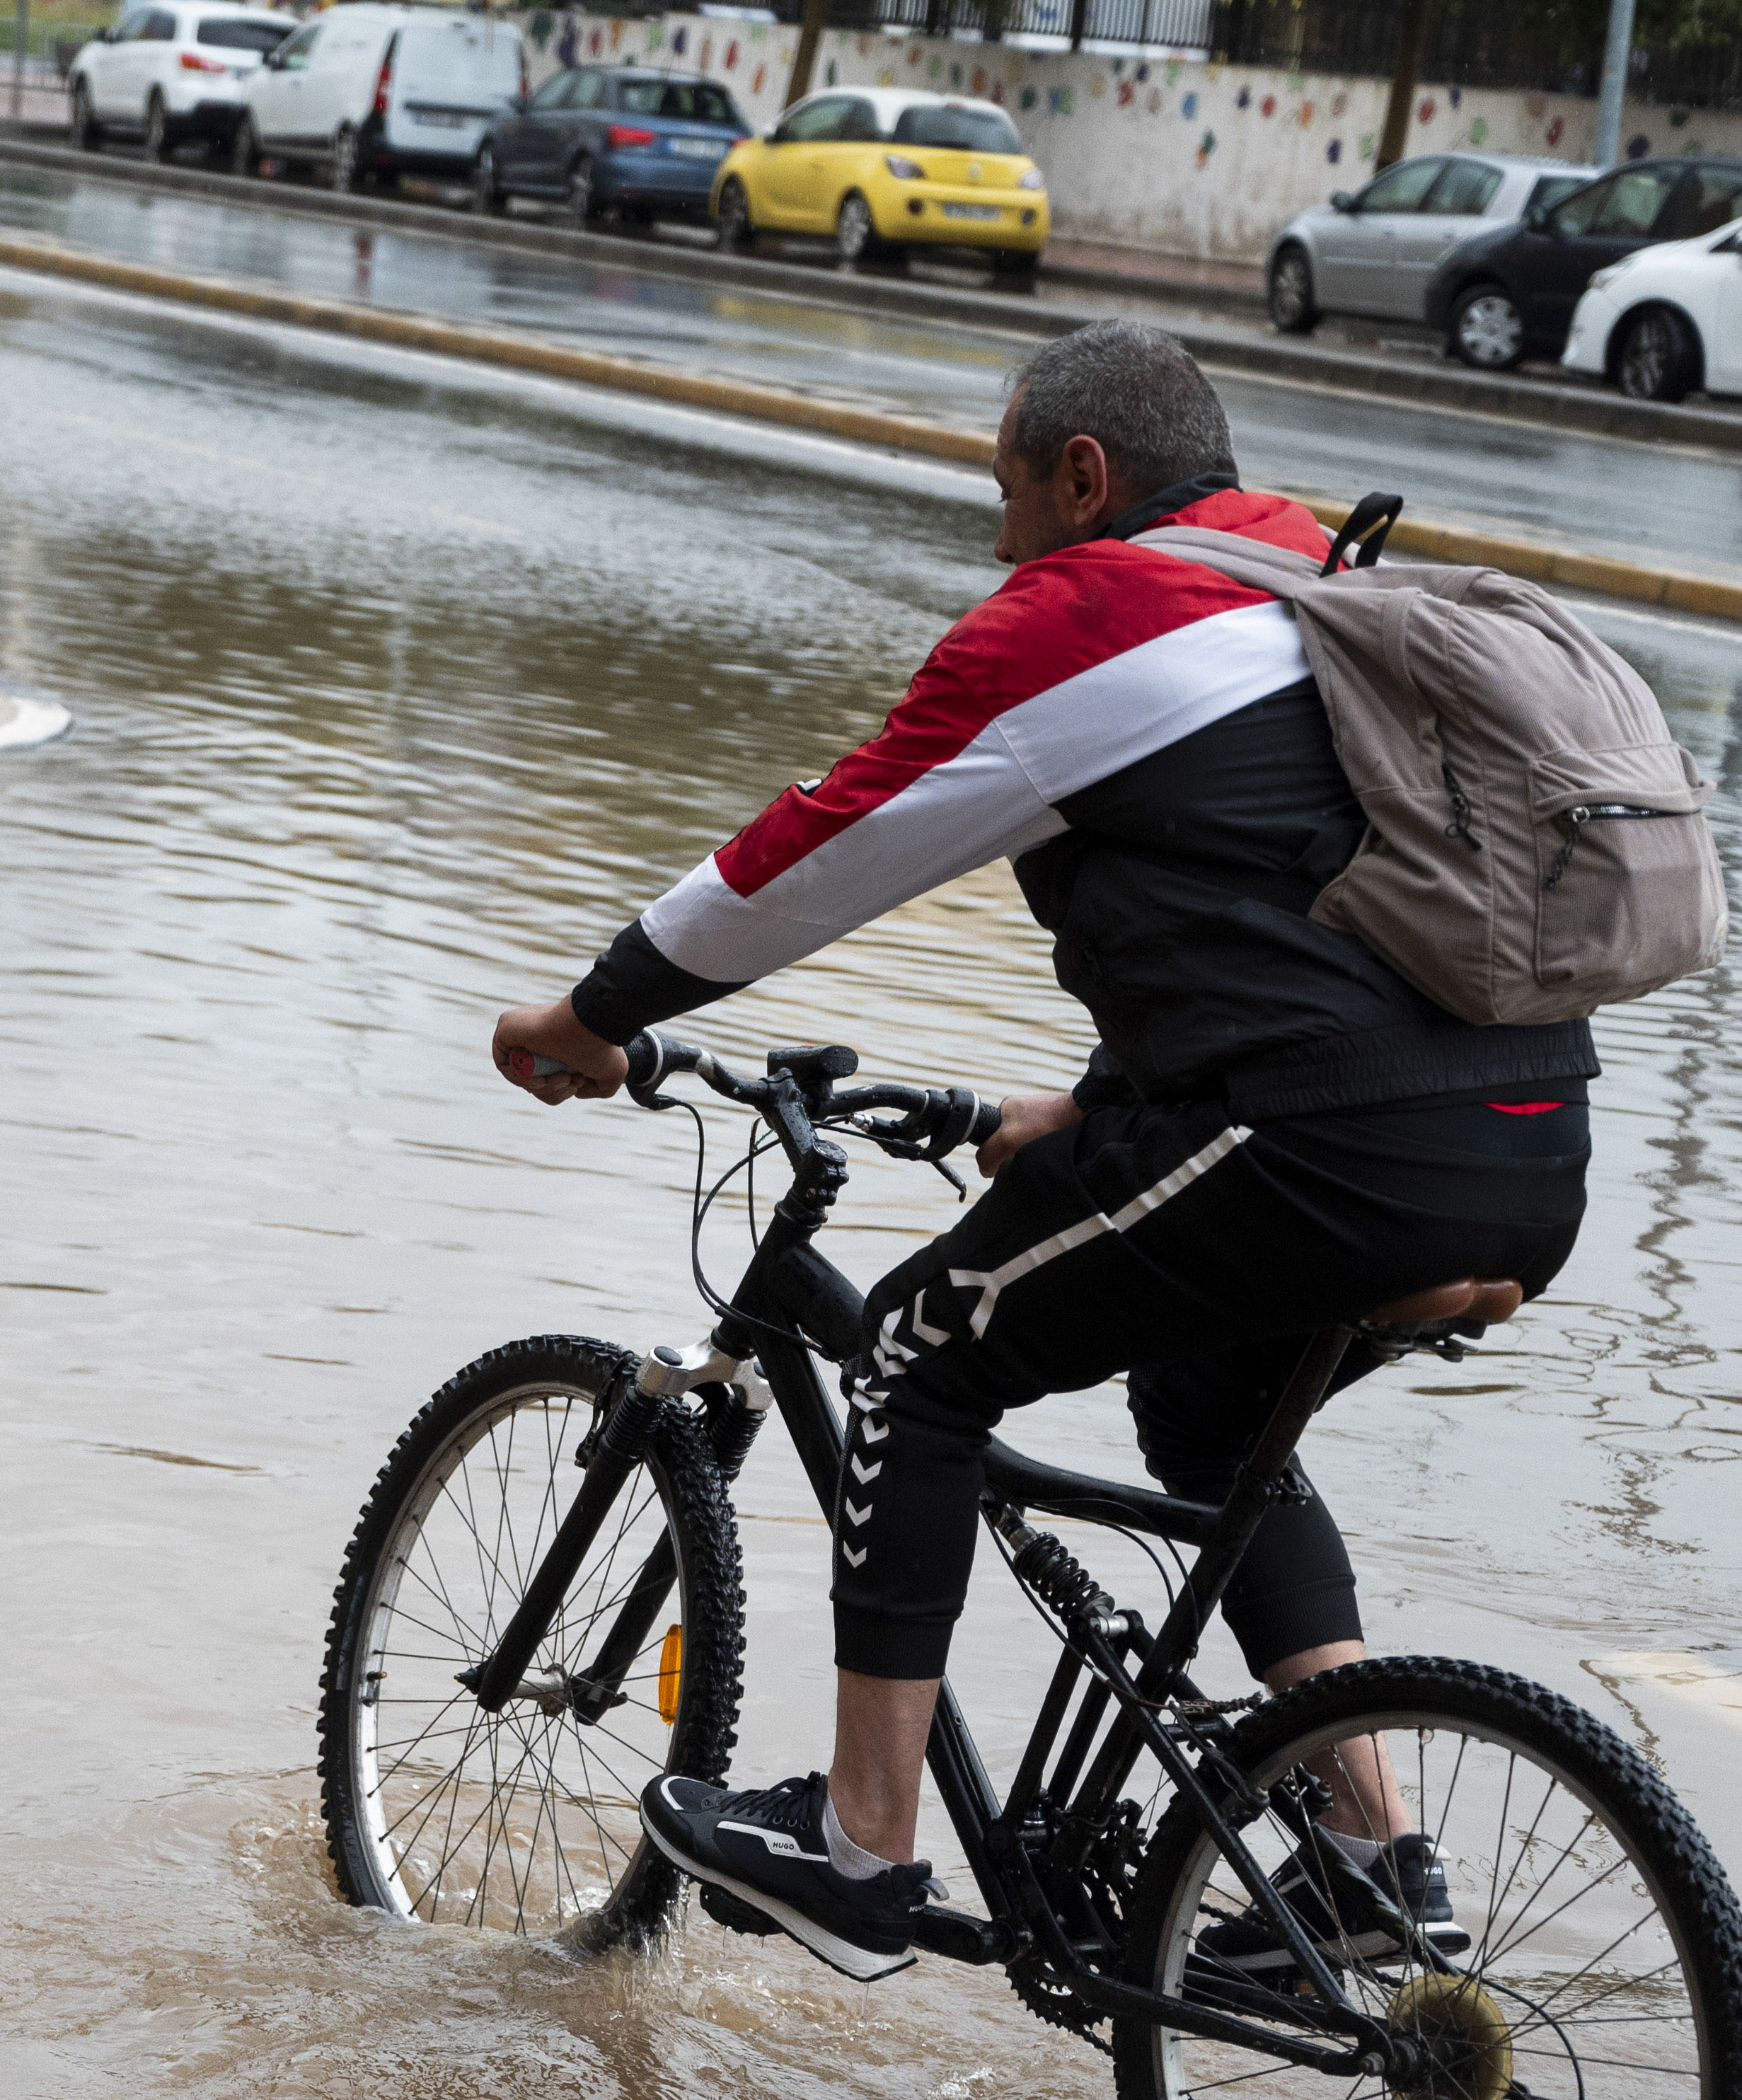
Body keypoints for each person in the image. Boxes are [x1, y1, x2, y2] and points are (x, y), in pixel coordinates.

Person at [488, 322, 1594, 1970]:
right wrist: (1086, 1112)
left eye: (1005, 489)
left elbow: (819, 849)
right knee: (1211, 1410)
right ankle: (1369, 1856)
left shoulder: (1088, 609)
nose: (994, 534)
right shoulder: (1319, 588)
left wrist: (593, 1013)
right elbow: (1288, 919)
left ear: (1085, 475)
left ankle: (863, 1839)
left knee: (920, 1351)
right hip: (1525, 1143)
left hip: (1311, 1143)